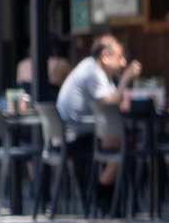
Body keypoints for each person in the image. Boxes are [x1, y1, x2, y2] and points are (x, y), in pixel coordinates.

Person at [55, 35, 141, 186]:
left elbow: (115, 102)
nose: (123, 63)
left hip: (71, 134)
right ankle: (102, 188)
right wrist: (126, 79)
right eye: (120, 57)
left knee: (123, 139)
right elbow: (111, 105)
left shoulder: (93, 69)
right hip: (76, 137)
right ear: (104, 57)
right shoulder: (93, 72)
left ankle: (103, 192)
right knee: (127, 143)